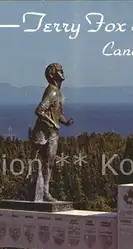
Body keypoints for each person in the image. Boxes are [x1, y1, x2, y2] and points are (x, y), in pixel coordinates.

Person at [28, 63, 74, 202]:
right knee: (45, 163)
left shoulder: (58, 93)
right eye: (60, 71)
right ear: (52, 74)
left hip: (51, 132)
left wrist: (64, 122)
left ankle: (42, 192)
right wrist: (54, 123)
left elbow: (56, 113)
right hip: (44, 133)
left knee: (48, 163)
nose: (62, 72)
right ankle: (43, 193)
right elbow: (39, 110)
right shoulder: (53, 92)